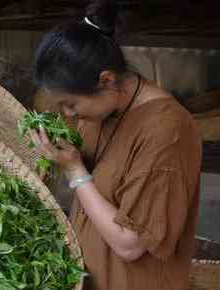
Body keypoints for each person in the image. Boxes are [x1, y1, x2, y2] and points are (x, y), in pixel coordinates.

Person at [28, 1, 202, 290]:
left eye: (70, 104)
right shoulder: (102, 110)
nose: (68, 114)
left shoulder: (167, 132)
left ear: (107, 80)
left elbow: (130, 244)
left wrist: (75, 172)